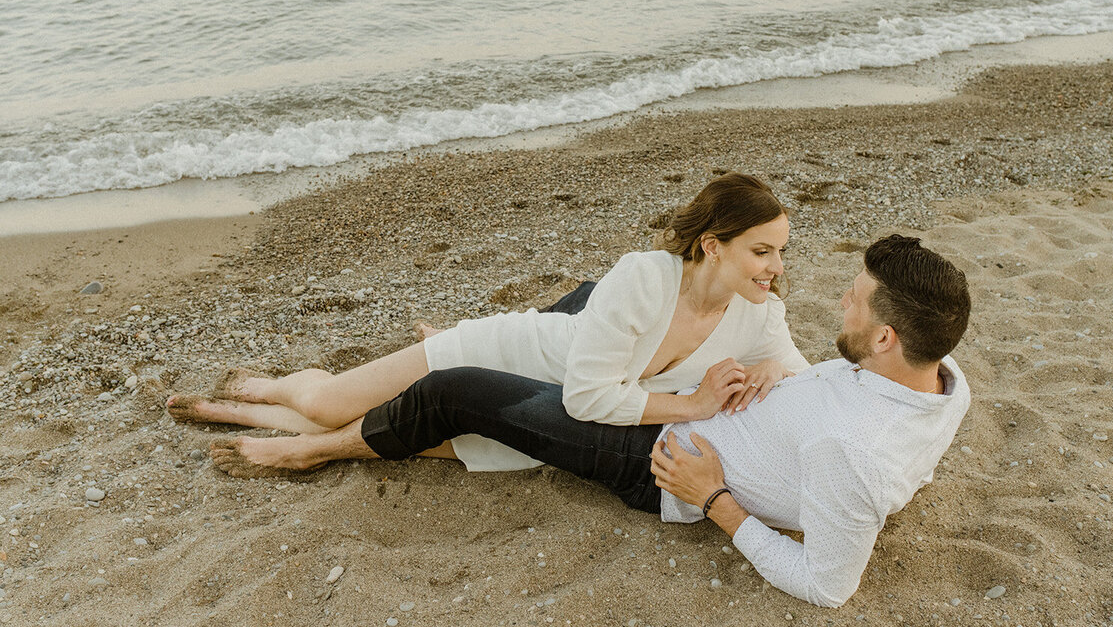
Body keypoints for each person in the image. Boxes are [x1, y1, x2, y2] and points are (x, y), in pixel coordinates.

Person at [207, 234, 972, 607]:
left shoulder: (853, 452)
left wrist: (718, 501)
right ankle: (498, 338)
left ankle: (319, 448)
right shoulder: (942, 381)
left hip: (663, 464)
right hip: (708, 414)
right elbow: (861, 424)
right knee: (590, 298)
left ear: (884, 339)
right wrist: (788, 373)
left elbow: (829, 586)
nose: (839, 300)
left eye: (855, 300)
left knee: (461, 391)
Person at [169, 173, 810, 471]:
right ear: (713, 244)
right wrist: (693, 406)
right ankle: (284, 388)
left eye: (781, 251)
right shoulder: (644, 279)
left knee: (387, 433)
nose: (776, 267)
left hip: (536, 419)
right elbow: (589, 396)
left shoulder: (761, 318)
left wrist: (776, 370)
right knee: (332, 402)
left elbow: (807, 379)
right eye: (763, 250)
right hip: (512, 354)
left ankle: (256, 417)